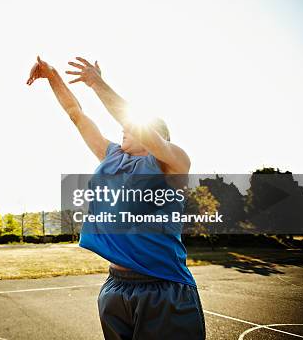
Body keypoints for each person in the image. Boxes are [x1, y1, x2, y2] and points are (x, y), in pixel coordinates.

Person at [27, 56, 205, 339]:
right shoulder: (112, 156)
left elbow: (132, 123)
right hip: (116, 286)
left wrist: (97, 83)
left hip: (163, 287)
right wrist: (53, 77)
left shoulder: (173, 163)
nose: (123, 128)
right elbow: (76, 113)